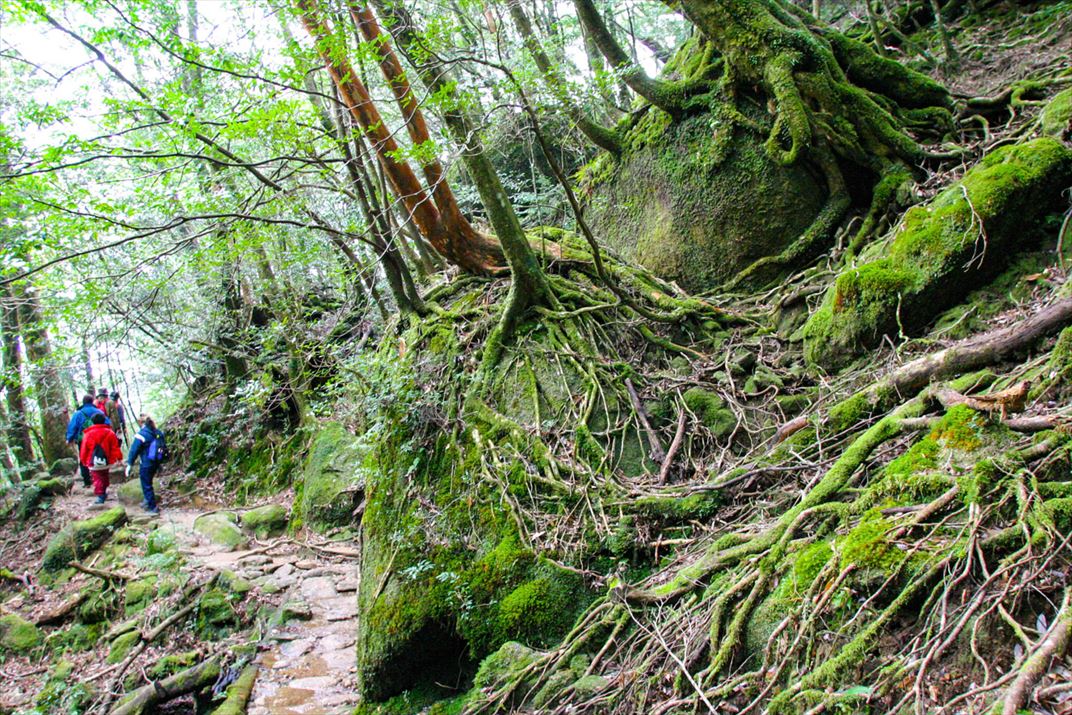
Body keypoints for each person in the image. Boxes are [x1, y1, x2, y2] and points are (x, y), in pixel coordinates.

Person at [65, 395, 109, 488]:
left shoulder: (78, 413)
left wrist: (69, 438)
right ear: (92, 401)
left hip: (83, 440)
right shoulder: (99, 412)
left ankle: (87, 481)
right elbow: (108, 424)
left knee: (84, 458)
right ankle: (100, 480)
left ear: (83, 402)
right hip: (98, 439)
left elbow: (72, 426)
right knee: (98, 457)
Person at [79, 413, 122, 504]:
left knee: (97, 478)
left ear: (92, 422)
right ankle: (104, 491)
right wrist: (118, 458)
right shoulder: (110, 432)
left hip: (93, 460)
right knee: (104, 475)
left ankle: (100, 496)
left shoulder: (88, 434)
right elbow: (115, 447)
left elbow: (84, 449)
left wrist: (83, 460)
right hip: (107, 461)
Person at [126, 414, 162, 515]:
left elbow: (134, 450)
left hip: (146, 463)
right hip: (156, 462)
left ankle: (153, 508)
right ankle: (147, 501)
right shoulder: (157, 432)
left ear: (141, 423)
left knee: (146, 485)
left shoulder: (141, 434)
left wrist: (130, 464)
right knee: (149, 483)